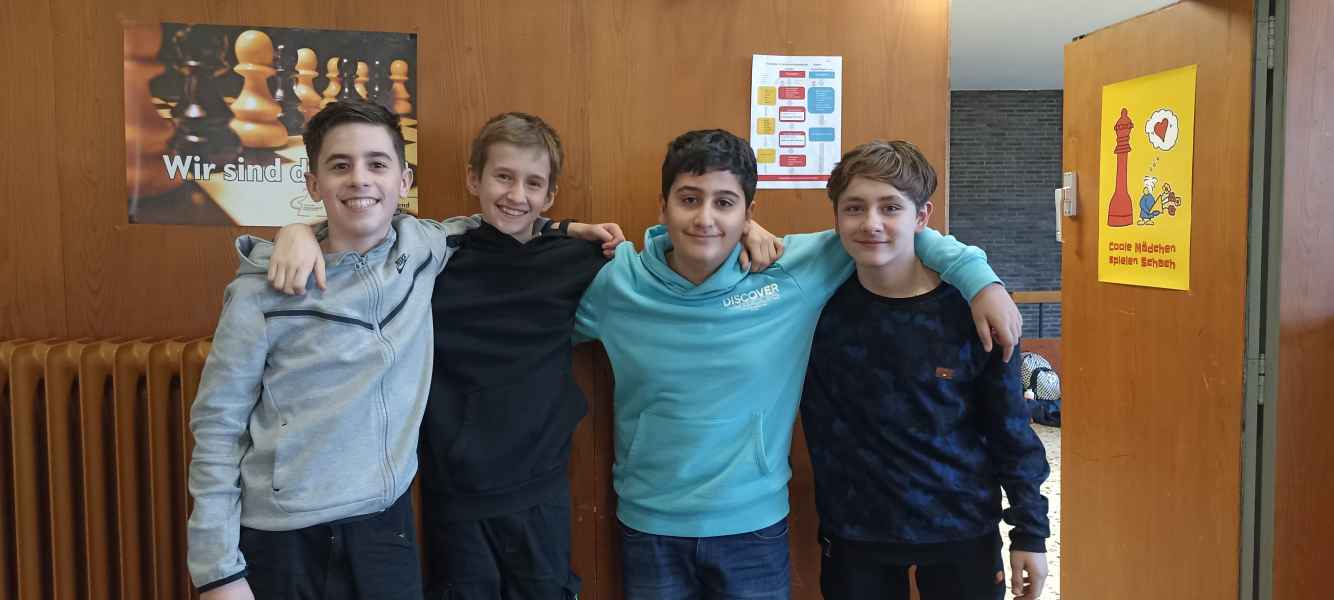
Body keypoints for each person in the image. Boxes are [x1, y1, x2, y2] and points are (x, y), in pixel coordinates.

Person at [261, 114, 781, 599]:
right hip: (453, 493)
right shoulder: (433, 258)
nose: (516, 195)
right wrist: (298, 230)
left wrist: (746, 229)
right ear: (474, 179)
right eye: (502, 178)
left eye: (533, 183)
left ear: (550, 195)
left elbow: (665, 260)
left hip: (541, 491)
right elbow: (364, 240)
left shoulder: (580, 260)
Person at [572, 129, 1023, 598]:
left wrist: (980, 280)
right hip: (649, 522)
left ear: (749, 213)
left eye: (725, 203)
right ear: (663, 208)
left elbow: (897, 231)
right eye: (689, 199)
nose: (705, 218)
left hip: (754, 524)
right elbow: (536, 319)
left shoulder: (788, 270)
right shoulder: (616, 285)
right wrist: (560, 230)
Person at [186, 100, 476, 599]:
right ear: (313, 184)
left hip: (385, 528)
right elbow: (218, 427)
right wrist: (218, 572)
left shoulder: (421, 248)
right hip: (284, 539)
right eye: (340, 166)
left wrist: (567, 230)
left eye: (377, 164)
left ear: (403, 181)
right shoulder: (260, 293)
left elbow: (492, 222)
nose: (360, 179)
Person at [801, 140, 1051, 600]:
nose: (871, 223)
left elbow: (1010, 428)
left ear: (921, 217)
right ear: (835, 218)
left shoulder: (977, 312)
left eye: (890, 207)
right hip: (855, 534)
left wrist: (1030, 533)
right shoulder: (815, 307)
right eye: (854, 208)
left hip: (961, 530)